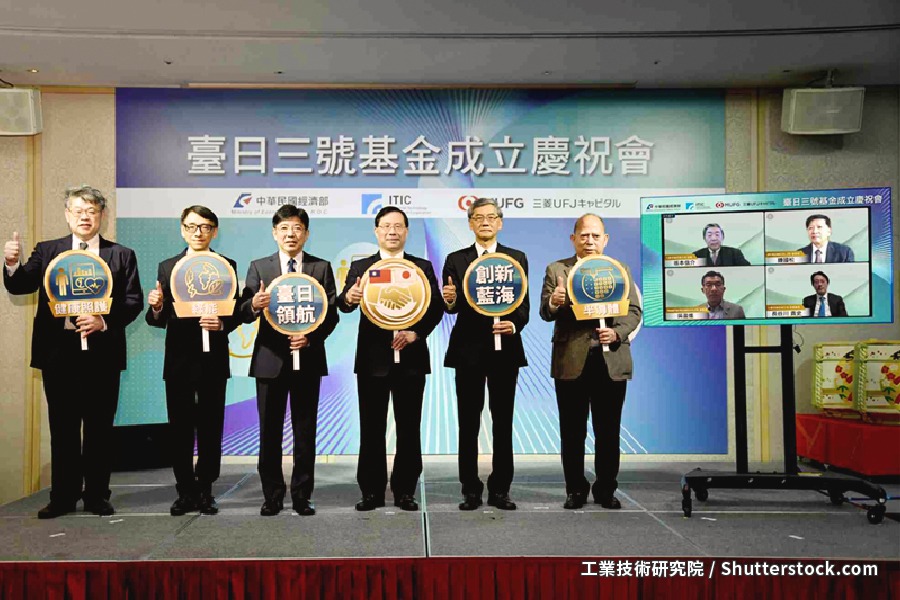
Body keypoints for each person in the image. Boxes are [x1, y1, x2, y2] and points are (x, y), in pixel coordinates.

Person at [3, 186, 143, 518]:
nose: (85, 217)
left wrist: (104, 321)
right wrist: (11, 264)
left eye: (92, 211)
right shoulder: (48, 250)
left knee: (99, 428)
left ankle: (96, 496)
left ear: (102, 216)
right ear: (67, 215)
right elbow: (21, 285)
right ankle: (63, 497)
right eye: (78, 210)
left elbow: (133, 301)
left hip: (102, 353)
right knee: (63, 427)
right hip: (59, 353)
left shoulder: (121, 255)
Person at [337, 206, 442, 512]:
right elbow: (344, 303)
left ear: (406, 231)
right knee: (371, 428)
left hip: (411, 358)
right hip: (373, 361)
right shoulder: (362, 267)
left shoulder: (421, 267)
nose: (392, 231)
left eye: (398, 226)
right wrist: (349, 298)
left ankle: (405, 490)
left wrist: (416, 333)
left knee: (409, 428)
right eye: (386, 226)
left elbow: (436, 307)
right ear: (377, 231)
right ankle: (371, 491)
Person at [240, 205, 338, 516]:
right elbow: (243, 310)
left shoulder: (321, 267)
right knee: (269, 433)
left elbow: (331, 314)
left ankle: (302, 495)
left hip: (307, 359)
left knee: (305, 432)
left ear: (306, 234)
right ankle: (272, 495)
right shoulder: (259, 267)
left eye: (297, 228)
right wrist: (254, 304)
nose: (290, 234)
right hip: (270, 361)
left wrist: (311, 338)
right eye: (284, 228)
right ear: (274, 233)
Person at [539, 214, 641, 510]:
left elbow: (633, 311)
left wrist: (617, 332)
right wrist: (555, 301)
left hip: (611, 359)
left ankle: (606, 488)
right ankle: (575, 489)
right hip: (571, 360)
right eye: (584, 235)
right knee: (572, 431)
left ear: (605, 239)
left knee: (608, 431)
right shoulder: (557, 269)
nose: (590, 241)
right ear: (573, 239)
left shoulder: (619, 270)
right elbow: (545, 312)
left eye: (596, 236)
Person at [146, 205, 240, 516]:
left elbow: (237, 311)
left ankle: (206, 489)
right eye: (191, 226)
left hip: (213, 359)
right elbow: (156, 319)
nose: (198, 232)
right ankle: (185, 490)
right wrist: (157, 306)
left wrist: (222, 324)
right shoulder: (168, 267)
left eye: (205, 227)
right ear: (182, 230)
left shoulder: (226, 265)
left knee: (211, 427)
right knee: (180, 429)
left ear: (215, 231)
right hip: (179, 359)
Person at [442, 198, 529, 511]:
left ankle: (501, 489)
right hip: (468, 351)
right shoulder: (456, 259)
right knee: (468, 423)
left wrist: (513, 324)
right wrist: (449, 300)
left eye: (492, 217)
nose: (485, 222)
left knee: (503, 422)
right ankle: (470, 489)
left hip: (505, 350)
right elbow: (451, 306)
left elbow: (523, 306)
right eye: (478, 217)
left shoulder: (516, 258)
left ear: (500, 222)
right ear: (470, 223)